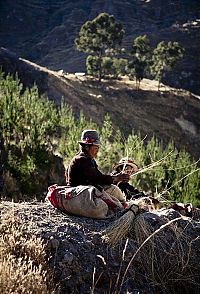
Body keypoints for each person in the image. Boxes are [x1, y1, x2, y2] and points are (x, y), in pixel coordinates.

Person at [66, 130, 130, 204]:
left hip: (85, 191)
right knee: (113, 189)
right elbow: (97, 179)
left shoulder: (89, 160)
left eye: (98, 148)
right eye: (95, 148)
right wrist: (116, 178)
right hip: (78, 193)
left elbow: (99, 176)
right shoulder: (81, 160)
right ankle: (123, 206)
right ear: (87, 147)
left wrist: (116, 179)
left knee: (112, 189)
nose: (97, 151)